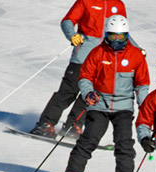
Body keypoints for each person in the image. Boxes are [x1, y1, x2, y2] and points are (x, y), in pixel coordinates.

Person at [59, 15, 149, 172]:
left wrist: (145, 107)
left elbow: (142, 84)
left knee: (124, 144)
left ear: (127, 36)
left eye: (121, 37)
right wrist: (88, 93)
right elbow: (85, 77)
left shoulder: (135, 55)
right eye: (113, 36)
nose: (117, 41)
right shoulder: (97, 53)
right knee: (88, 140)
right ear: (107, 34)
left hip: (123, 107)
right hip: (99, 105)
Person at [30, 0, 138, 140]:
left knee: (89, 96)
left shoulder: (118, 5)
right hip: (82, 56)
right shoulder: (85, 1)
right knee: (68, 92)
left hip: (104, 60)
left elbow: (121, 33)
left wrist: (137, 49)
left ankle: (73, 126)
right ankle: (45, 123)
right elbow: (67, 21)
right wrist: (72, 35)